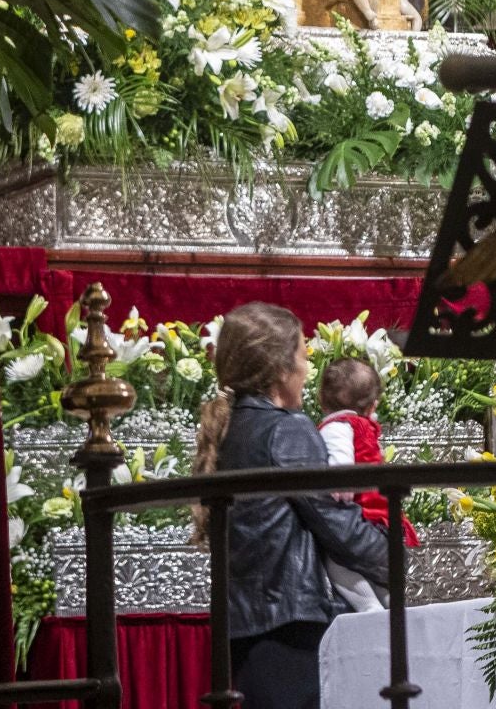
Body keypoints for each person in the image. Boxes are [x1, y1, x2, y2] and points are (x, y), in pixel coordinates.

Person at [194, 304, 389, 709]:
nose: (307, 370)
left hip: (248, 627)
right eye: (303, 356)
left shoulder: (232, 427)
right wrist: (394, 555)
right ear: (281, 368)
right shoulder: (287, 428)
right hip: (292, 625)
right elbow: (337, 525)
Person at [316, 357, 421, 613]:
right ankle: (388, 608)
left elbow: (341, 464)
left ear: (320, 399)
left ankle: (368, 608)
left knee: (336, 562)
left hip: (365, 521)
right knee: (380, 584)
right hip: (386, 524)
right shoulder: (366, 427)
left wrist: (340, 492)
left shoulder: (337, 427)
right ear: (374, 404)